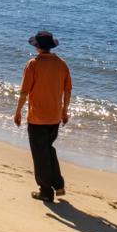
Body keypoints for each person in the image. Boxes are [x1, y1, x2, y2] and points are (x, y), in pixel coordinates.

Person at [13, 30, 71, 202]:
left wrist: (18, 112)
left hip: (37, 117)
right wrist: (64, 111)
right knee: (48, 149)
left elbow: (24, 92)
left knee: (40, 154)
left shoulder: (33, 64)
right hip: (54, 117)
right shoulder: (62, 64)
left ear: (37, 47)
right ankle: (58, 184)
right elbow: (67, 91)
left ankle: (46, 190)